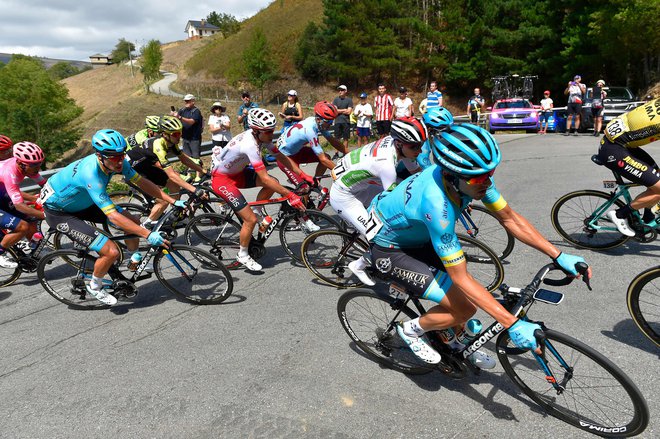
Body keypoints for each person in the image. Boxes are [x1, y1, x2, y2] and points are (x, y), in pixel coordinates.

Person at [366, 123, 591, 367]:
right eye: (480, 178)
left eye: (490, 174)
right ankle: (409, 330)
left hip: (416, 236)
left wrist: (558, 255)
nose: (487, 182)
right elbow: (460, 277)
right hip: (391, 250)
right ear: (452, 175)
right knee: (464, 308)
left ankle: (451, 337)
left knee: (465, 295)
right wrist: (511, 323)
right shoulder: (436, 204)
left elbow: (509, 218)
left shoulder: (471, 177)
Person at [40, 129, 185, 305]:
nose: (119, 160)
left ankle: (135, 258)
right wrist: (147, 235)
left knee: (134, 221)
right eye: (113, 157)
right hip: (61, 213)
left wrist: (171, 200)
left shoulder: (118, 162)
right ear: (99, 156)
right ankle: (94, 286)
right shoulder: (91, 174)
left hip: (83, 203)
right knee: (111, 252)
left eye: (121, 155)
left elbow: (141, 181)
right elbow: (114, 216)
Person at [329, 117, 427, 286]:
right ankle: (358, 265)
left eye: (421, 145)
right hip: (344, 197)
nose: (419, 150)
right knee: (381, 234)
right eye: (415, 146)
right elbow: (393, 204)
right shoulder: (386, 165)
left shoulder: (398, 144)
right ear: (399, 144)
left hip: (361, 185)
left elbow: (418, 172)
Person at [210, 108, 306, 271]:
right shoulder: (250, 144)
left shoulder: (261, 136)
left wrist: (303, 174)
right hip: (222, 180)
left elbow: (280, 156)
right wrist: (290, 195)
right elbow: (264, 177)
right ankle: (243, 255)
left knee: (273, 181)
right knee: (250, 220)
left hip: (237, 173)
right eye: (268, 131)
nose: (271, 134)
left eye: (272, 130)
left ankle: (257, 209)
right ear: (256, 130)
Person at [126, 115, 206, 228]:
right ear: (165, 134)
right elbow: (171, 174)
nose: (179, 137)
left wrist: (203, 170)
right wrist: (194, 190)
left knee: (174, 186)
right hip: (132, 170)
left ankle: (176, 214)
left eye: (180, 133)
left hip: (145, 167)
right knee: (163, 200)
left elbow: (184, 159)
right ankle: (146, 226)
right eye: (176, 134)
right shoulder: (158, 145)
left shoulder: (171, 142)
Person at [599, 98, 660, 237]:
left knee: (656, 178)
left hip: (621, 144)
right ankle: (620, 214)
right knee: (659, 188)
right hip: (615, 150)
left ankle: (648, 217)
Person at [276, 101, 348, 188]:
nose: (330, 124)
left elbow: (333, 141)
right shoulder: (310, 130)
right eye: (328, 122)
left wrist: (351, 154)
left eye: (332, 121)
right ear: (319, 119)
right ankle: (304, 194)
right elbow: (323, 160)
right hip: (284, 158)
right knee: (305, 187)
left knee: (327, 157)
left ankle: (316, 183)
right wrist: (344, 173)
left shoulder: (316, 122)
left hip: (295, 152)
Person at [0, 142, 48, 268]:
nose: (37, 167)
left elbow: (44, 184)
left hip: (2, 195)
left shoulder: (27, 167)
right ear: (20, 163)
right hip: (2, 196)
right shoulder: (10, 173)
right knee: (22, 226)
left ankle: (33, 247)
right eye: (34, 165)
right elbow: (19, 205)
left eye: (39, 163)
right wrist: (45, 215)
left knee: (31, 218)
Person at [172, 94, 204, 182]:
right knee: (188, 157)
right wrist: (174, 116)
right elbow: (177, 119)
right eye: (185, 101)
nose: (186, 102)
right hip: (185, 137)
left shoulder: (196, 111)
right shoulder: (182, 110)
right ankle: (189, 174)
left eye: (188, 101)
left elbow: (191, 122)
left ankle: (198, 174)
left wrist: (180, 117)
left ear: (193, 101)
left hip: (194, 138)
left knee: (196, 157)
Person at [332, 85, 353, 155]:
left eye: (342, 90)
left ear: (345, 91)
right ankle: (336, 153)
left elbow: (349, 112)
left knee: (345, 138)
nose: (340, 91)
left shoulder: (349, 100)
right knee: (337, 138)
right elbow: (334, 111)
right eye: (339, 90)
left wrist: (339, 110)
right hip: (337, 121)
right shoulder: (335, 100)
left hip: (346, 121)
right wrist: (344, 110)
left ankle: (345, 153)